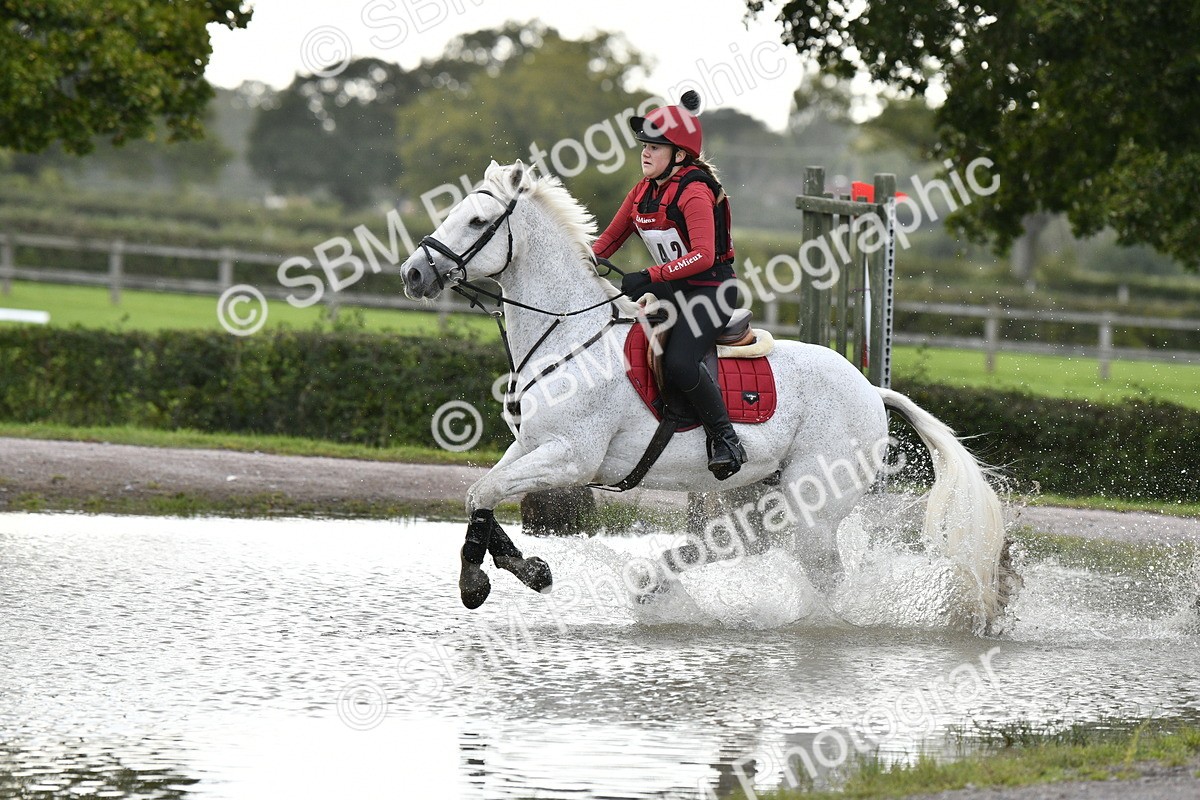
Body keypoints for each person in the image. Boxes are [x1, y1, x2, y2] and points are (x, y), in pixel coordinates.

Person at [592, 90, 746, 480]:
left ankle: (725, 438)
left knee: (679, 360)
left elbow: (704, 256)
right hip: (676, 290)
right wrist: (579, 261)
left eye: (655, 147)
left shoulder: (694, 191)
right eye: (643, 145)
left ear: (679, 155)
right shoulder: (643, 191)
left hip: (712, 292)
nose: (645, 153)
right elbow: (608, 241)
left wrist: (649, 276)